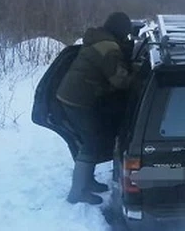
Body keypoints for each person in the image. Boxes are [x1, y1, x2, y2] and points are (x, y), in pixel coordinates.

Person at [56, 11, 135, 205]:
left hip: (73, 95)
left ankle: (88, 182)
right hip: (78, 99)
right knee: (91, 142)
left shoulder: (101, 40)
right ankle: (78, 192)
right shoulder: (109, 48)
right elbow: (120, 81)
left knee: (91, 139)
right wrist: (137, 75)